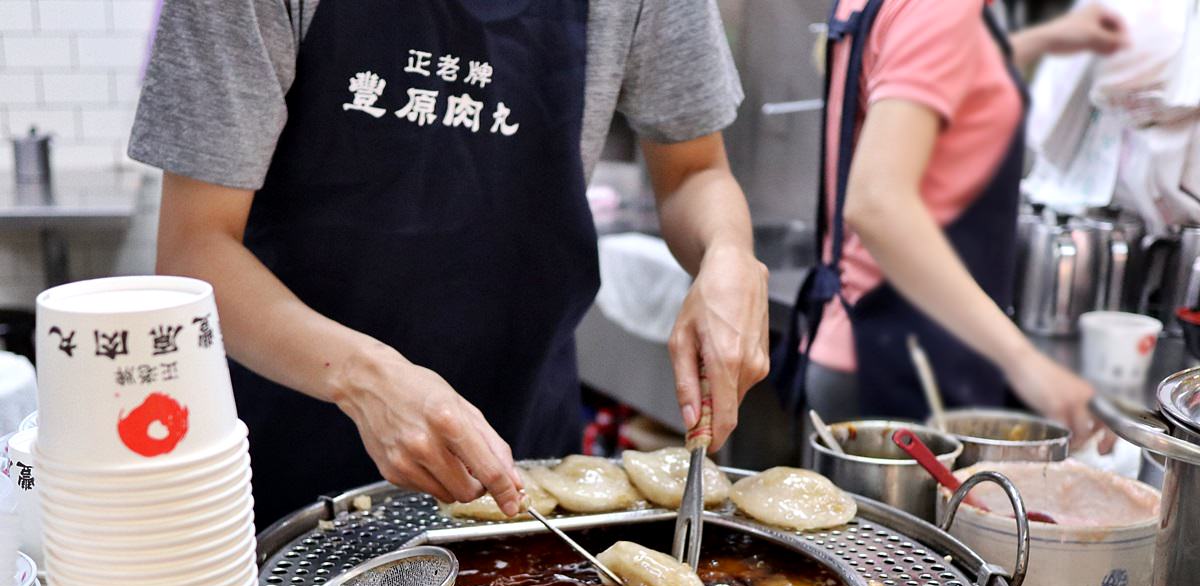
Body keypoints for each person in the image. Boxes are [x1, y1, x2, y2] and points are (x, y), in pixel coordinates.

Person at [129, 0, 769, 526]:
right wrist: (365, 377)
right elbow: (196, 250)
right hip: (293, 454)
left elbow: (694, 171)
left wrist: (729, 255)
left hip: (523, 452)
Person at [775, 1, 1128, 443]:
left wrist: (1045, 40)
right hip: (902, 361)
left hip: (880, 342)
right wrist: (1025, 362)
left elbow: (937, 69)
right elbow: (876, 204)